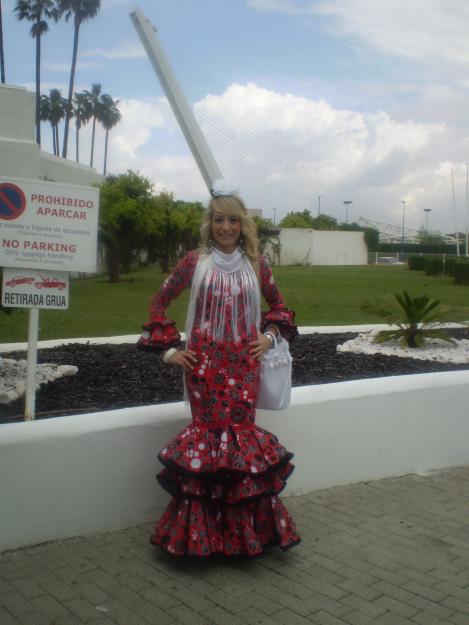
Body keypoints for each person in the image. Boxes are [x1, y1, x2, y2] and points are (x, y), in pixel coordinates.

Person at [139, 187, 300, 557]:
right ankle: (200, 537)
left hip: (244, 369)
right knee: (209, 442)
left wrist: (269, 337)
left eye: (232, 219)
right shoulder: (194, 262)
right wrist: (169, 352)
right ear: (209, 224)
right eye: (218, 218)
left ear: (243, 225)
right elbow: (159, 300)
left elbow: (279, 307)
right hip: (203, 369)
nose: (225, 226)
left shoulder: (257, 265)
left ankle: (242, 535)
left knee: (239, 445)